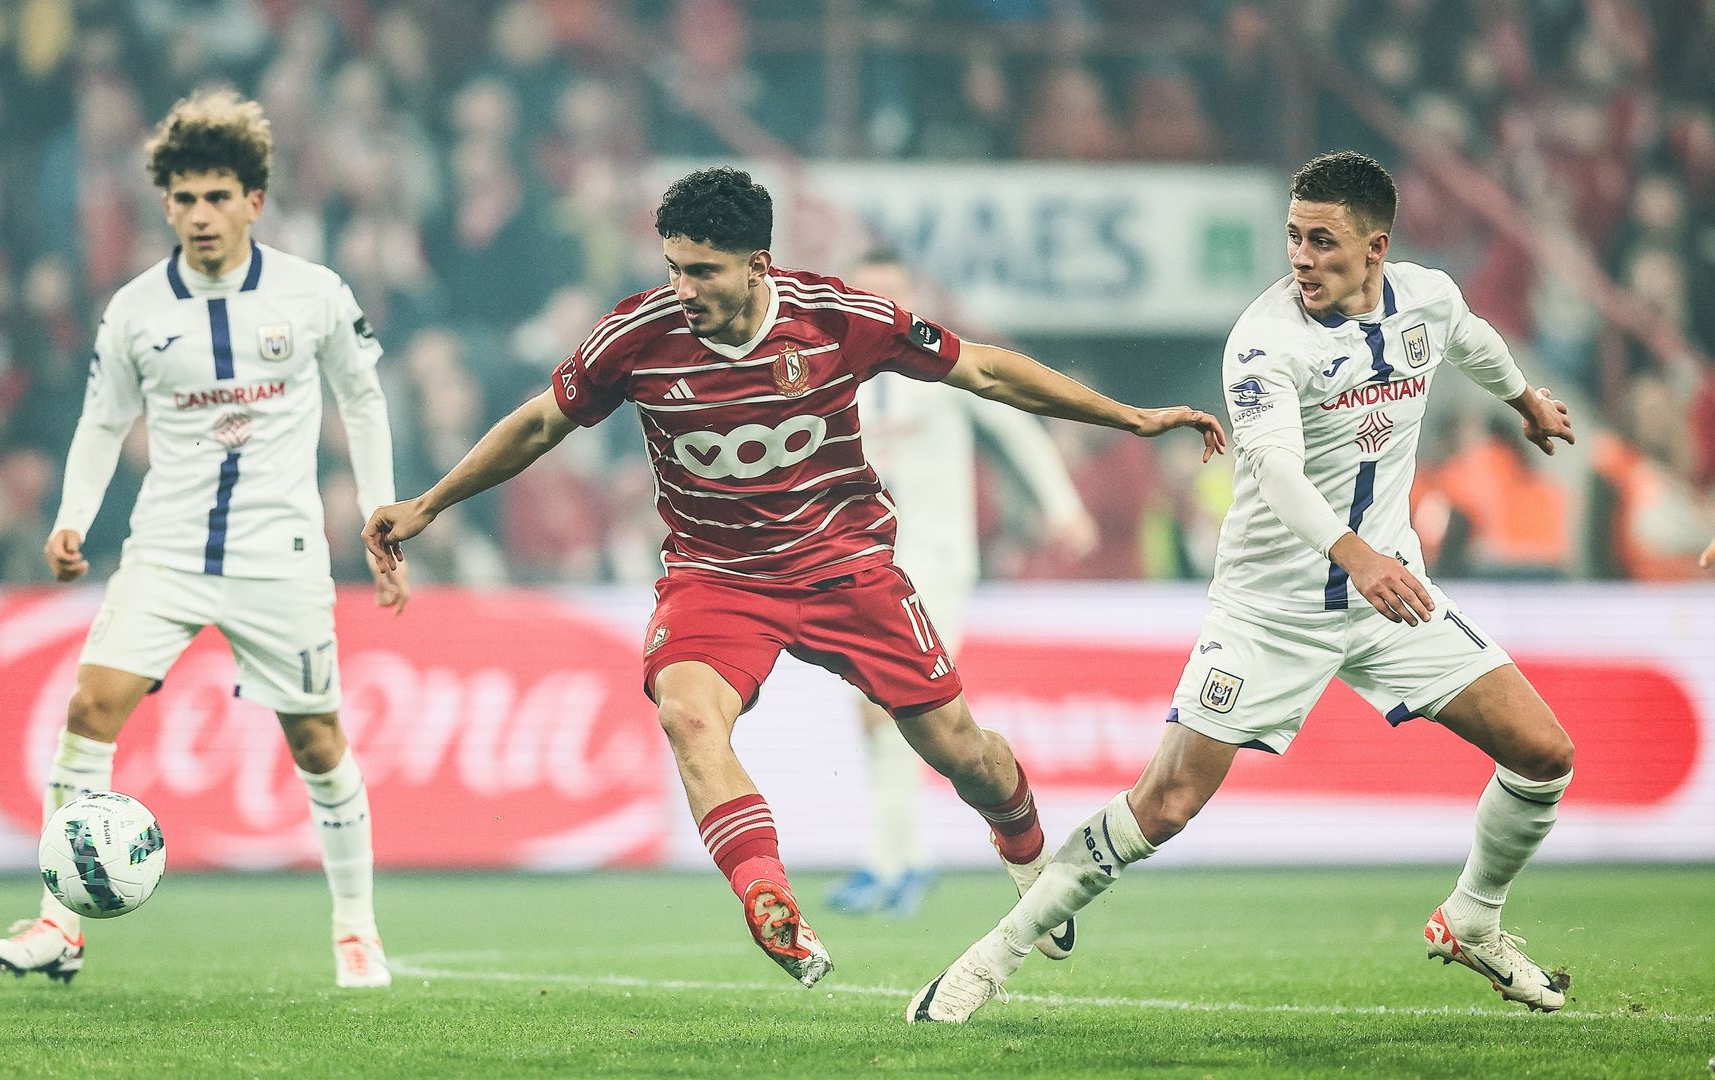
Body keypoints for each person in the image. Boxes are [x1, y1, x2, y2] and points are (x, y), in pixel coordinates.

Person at [362, 167, 1224, 987]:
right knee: (688, 715)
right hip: (716, 576)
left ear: (758, 265)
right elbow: (541, 425)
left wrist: (1128, 417)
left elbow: (986, 369)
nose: (683, 288)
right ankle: (766, 896)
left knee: (961, 753)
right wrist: (431, 503)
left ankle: (1025, 844)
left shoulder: (838, 317)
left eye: (702, 271)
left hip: (847, 567)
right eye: (672, 267)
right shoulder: (635, 334)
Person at [908, 151, 1579, 1023]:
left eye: (1323, 241)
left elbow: (1473, 338)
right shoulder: (1266, 339)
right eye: (1293, 237)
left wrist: (1522, 396)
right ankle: (987, 961)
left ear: (1376, 248)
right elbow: (1273, 467)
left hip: (1389, 597)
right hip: (1274, 611)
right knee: (1167, 803)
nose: (1301, 256)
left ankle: (1474, 919)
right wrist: (1356, 555)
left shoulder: (1428, 299)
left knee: (1545, 755)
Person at [0, 90, 406, 989]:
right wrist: (71, 520)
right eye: (183, 198)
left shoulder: (315, 293)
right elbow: (101, 424)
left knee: (318, 742)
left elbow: (363, 401)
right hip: (165, 549)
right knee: (90, 709)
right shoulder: (135, 310)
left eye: (217, 196)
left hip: (278, 553)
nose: (200, 215)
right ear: (164, 205)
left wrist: (381, 509)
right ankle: (61, 926)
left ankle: (357, 930)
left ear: (255, 199)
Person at [825, 250, 1097, 917]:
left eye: (891, 291)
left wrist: (1061, 505)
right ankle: (899, 859)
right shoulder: (840, 379)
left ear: (910, 294)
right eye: (870, 292)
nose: (881, 302)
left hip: (939, 562)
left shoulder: (940, 362)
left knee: (905, 707)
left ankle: (895, 864)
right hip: (866, 568)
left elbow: (1017, 424)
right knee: (873, 714)